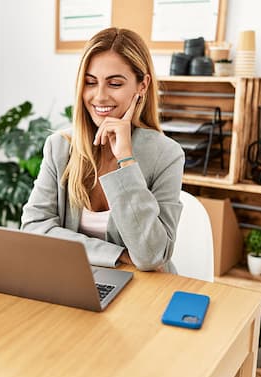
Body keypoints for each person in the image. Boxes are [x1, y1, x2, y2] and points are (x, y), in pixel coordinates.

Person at [21, 27, 184, 272]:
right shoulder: (60, 147)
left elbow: (151, 256)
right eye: (90, 82)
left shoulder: (166, 155)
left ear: (142, 85)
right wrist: (117, 255)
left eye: (115, 83)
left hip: (144, 291)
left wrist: (126, 161)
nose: (99, 96)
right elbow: (34, 228)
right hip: (76, 281)